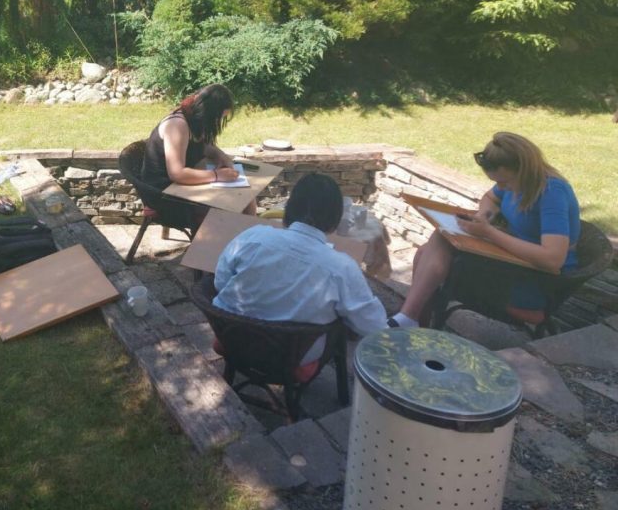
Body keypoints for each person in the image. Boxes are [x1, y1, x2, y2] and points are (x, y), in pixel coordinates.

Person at [391, 132, 581, 328]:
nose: (501, 187)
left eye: (504, 182)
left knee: (431, 254)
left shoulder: (552, 193)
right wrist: (484, 215)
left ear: (523, 170)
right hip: (512, 261)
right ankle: (412, 319)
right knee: (430, 247)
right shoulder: (518, 182)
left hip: (535, 280)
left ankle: (410, 319)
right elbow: (490, 198)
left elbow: (553, 259)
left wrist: (489, 233)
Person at [213, 174, 389, 360]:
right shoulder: (341, 268)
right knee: (341, 317)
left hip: (231, 339)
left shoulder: (252, 237)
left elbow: (220, 282)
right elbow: (373, 327)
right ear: (335, 221)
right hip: (291, 357)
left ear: (288, 209)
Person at [142, 84, 254, 218]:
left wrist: (222, 157)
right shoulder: (177, 125)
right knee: (225, 209)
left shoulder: (195, 117)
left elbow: (204, 145)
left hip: (180, 186)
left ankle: (248, 229)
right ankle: (231, 230)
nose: (218, 122)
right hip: (162, 193)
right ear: (209, 112)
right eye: (218, 118)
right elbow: (177, 174)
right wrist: (217, 175)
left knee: (247, 197)